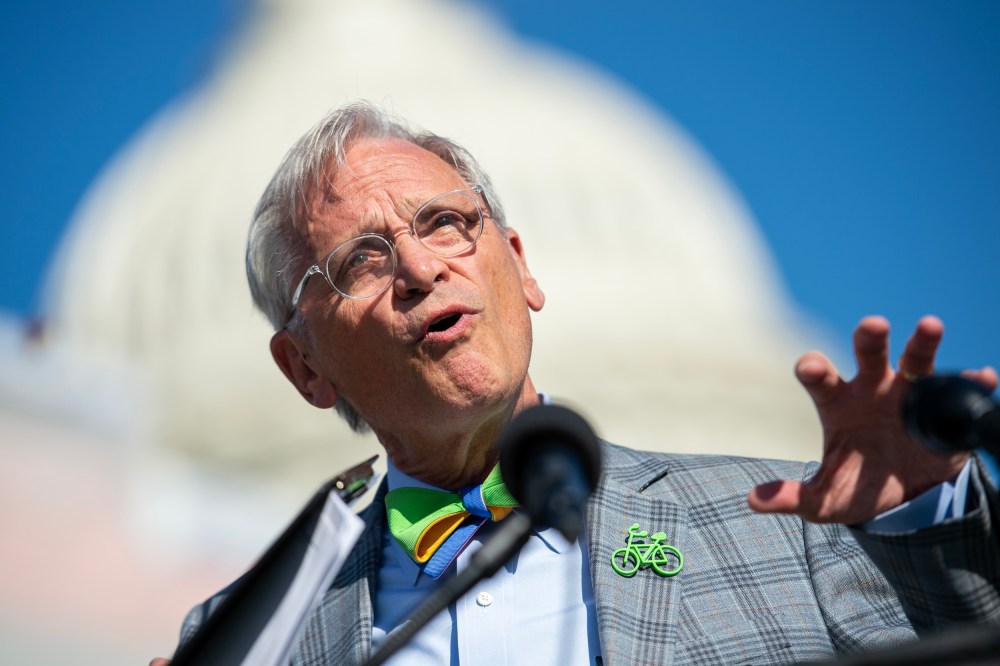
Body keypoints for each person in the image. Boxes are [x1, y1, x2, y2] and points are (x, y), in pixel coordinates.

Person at [154, 101, 1000, 665]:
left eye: (444, 223)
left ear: (518, 268)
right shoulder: (247, 638)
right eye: (360, 262)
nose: (418, 267)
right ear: (306, 368)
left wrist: (921, 521)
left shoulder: (783, 526)